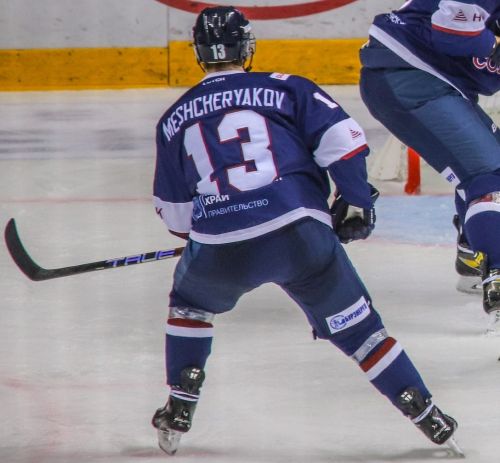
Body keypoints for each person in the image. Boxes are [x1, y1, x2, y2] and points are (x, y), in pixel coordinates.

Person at [150, 5, 461, 456]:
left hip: (220, 246)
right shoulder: (287, 88)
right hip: (300, 234)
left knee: (190, 306)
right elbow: (344, 143)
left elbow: (178, 218)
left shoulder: (173, 119)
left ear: (198, 52)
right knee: (362, 333)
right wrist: (354, 201)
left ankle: (181, 401)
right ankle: (426, 413)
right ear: (247, 47)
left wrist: (210, 239)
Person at [359, 0, 500, 327]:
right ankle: (496, 269)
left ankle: (474, 254)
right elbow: (452, 33)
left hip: (426, 79)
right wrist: (490, 45)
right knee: (489, 175)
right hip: (410, 76)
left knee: (481, 168)